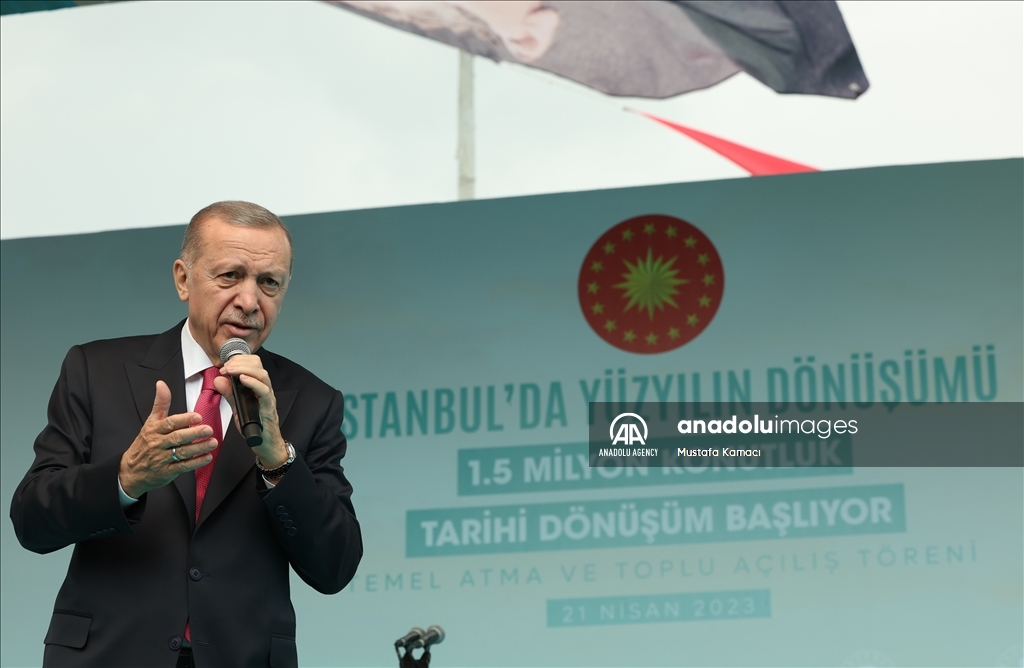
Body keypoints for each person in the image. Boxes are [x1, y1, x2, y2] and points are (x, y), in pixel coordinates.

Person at [10, 201, 362, 667]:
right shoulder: (97, 370)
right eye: (230, 276)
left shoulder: (312, 401)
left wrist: (278, 460)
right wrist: (126, 479)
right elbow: (32, 520)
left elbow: (335, 566)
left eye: (269, 283)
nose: (250, 301)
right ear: (183, 279)